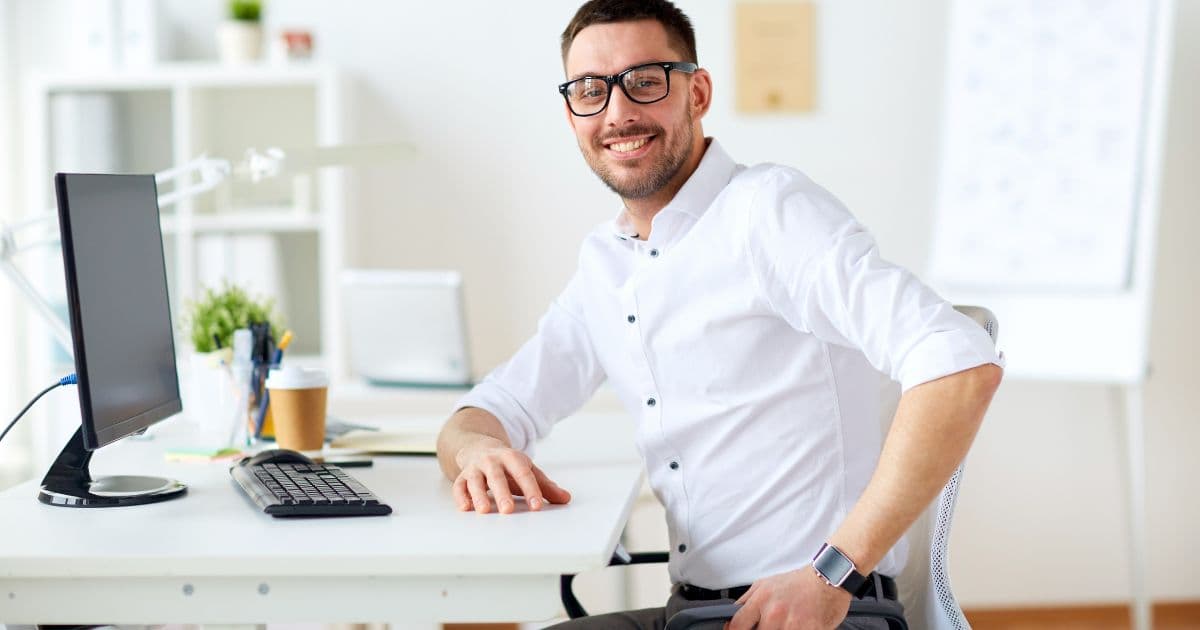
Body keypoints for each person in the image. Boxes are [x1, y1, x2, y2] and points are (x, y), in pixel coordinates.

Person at [436, 1, 1003, 628]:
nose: (617, 112)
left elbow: (960, 360)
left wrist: (833, 572)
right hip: (699, 614)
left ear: (697, 92)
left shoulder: (769, 213)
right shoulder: (608, 263)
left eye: (645, 81)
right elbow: (488, 411)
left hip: (814, 612)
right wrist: (477, 453)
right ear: (572, 114)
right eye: (590, 90)